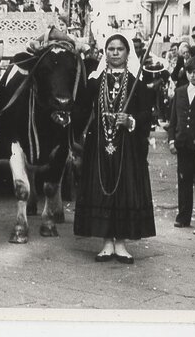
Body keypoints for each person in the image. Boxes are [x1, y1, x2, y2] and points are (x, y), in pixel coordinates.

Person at [74, 34, 155, 263]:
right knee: (102, 190)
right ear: (105, 52)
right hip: (99, 146)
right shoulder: (94, 81)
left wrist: (130, 120)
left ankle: (121, 244)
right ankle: (107, 243)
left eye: (120, 49)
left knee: (124, 192)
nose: (115, 53)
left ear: (128, 53)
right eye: (111, 49)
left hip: (127, 148)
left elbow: (147, 115)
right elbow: (81, 110)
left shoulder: (137, 82)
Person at [168, 57, 195, 229]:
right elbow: (173, 119)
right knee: (183, 179)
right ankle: (183, 216)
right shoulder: (180, 91)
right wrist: (172, 139)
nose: (192, 76)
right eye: (189, 72)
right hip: (182, 142)